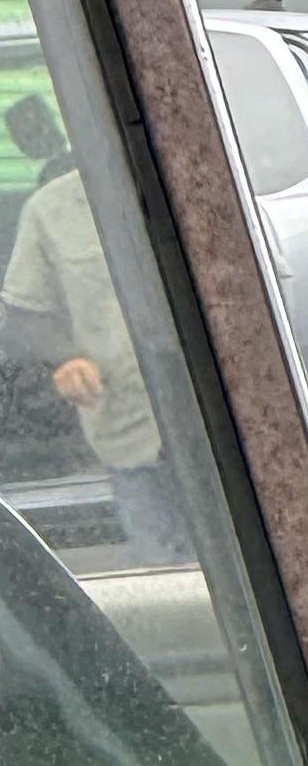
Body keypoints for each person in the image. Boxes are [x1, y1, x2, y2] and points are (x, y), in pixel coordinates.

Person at [0, 94, 182, 562]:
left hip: (224, 434)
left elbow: (267, 291)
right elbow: (24, 314)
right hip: (129, 431)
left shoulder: (201, 188)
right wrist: (65, 357)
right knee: (165, 581)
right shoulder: (50, 210)